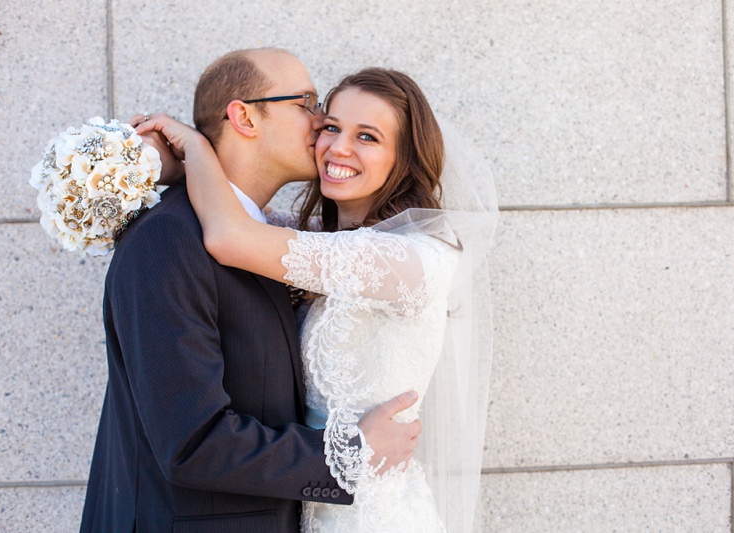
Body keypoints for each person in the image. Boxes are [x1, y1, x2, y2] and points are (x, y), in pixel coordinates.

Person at [140, 65, 498, 532]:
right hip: (306, 499)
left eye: (367, 137)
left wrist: (197, 148)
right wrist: (170, 170)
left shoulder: (412, 257)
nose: (338, 147)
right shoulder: (323, 239)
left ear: (403, 158)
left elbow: (231, 235)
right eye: (332, 127)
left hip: (370, 511)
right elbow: (239, 209)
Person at [80, 48, 423, 533]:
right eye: (306, 102)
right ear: (243, 116)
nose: (322, 122)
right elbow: (192, 441)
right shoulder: (170, 237)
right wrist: (354, 454)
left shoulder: (267, 241)